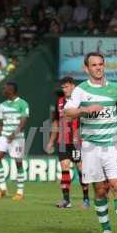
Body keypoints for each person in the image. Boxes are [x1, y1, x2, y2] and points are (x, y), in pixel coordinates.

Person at [64, 52, 117, 233]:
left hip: (113, 145)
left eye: (101, 64)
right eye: (94, 65)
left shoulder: (115, 89)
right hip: (91, 147)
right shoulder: (80, 90)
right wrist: (84, 110)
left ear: (104, 66)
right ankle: (106, 230)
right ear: (86, 68)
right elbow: (67, 111)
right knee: (100, 190)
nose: (98, 68)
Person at [46, 77, 90, 209]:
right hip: (63, 141)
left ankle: (86, 199)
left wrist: (78, 135)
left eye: (66, 87)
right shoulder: (59, 102)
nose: (64, 89)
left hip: (77, 143)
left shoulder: (80, 102)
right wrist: (51, 141)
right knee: (65, 169)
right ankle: (66, 200)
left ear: (73, 86)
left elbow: (86, 121)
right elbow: (56, 122)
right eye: (62, 87)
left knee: (81, 169)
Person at [0, 82, 29, 201]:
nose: (3, 90)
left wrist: (14, 134)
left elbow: (23, 122)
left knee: (18, 163)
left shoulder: (23, 103)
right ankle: (3, 189)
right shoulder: (2, 105)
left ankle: (20, 191)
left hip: (17, 138)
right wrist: (0, 136)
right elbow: (1, 123)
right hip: (4, 136)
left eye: (5, 88)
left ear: (11, 90)